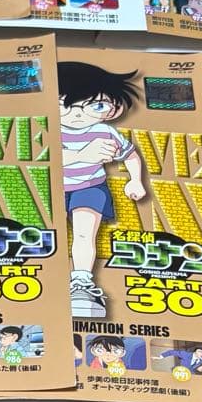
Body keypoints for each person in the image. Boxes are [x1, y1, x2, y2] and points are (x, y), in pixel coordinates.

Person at [57, 62, 146, 318]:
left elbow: (130, 155)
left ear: (114, 109)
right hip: (52, 187)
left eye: (95, 106)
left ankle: (81, 283)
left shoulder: (105, 132)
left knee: (84, 234)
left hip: (90, 187)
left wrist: (136, 180)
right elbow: (40, 157)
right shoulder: (46, 127)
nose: (77, 114)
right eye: (64, 104)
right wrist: (81, 155)